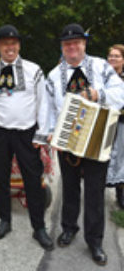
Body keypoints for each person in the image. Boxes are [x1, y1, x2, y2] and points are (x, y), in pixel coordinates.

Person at [44, 24, 124, 266]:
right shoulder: (53, 75)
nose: (72, 47)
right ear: (62, 47)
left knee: (95, 191)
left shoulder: (102, 67)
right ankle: (69, 227)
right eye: (67, 44)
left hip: (98, 139)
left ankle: (95, 240)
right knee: (69, 187)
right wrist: (49, 133)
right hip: (68, 139)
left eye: (77, 43)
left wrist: (99, 94)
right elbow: (48, 109)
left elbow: (121, 92)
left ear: (84, 44)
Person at [0, 24, 53, 250]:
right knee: (0, 178)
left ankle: (39, 227)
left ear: (19, 45)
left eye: (13, 43)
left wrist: (42, 133)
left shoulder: (34, 70)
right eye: (4, 43)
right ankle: (5, 220)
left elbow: (43, 103)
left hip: (27, 133)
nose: (9, 47)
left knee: (33, 181)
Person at [106, 44, 124, 209]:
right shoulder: (103, 77)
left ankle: (121, 191)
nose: (112, 59)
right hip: (105, 121)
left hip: (122, 121)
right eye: (110, 56)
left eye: (117, 56)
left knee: (121, 158)